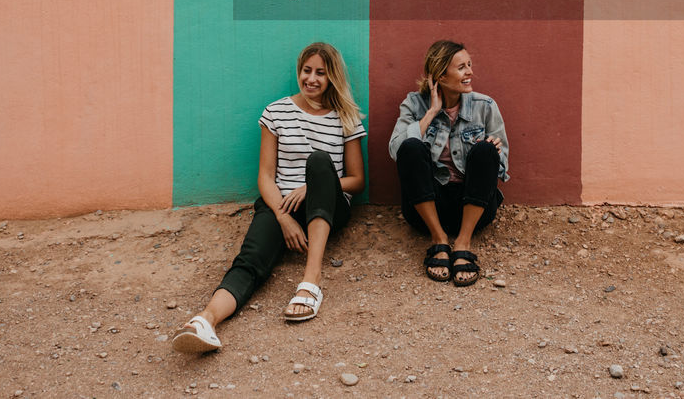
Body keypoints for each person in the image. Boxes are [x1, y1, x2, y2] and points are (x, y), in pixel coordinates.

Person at [172, 42, 366, 353]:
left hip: (328, 206)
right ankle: (205, 321)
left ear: (332, 78)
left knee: (318, 162)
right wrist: (282, 216)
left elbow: (357, 180)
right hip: (280, 203)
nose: (312, 79)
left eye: (321, 73)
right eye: (307, 71)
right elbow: (265, 175)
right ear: (298, 72)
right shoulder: (276, 112)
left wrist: (315, 186)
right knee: (250, 260)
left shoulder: (345, 117)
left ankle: (311, 282)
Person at [388, 40, 509, 287]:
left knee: (487, 149)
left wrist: (492, 153)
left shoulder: (485, 106)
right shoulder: (414, 104)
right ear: (441, 76)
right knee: (410, 145)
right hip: (428, 207)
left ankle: (463, 242)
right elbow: (396, 151)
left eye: (469, 65)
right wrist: (432, 112)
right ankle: (439, 239)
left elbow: (502, 166)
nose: (470, 73)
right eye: (462, 67)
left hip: (473, 207)